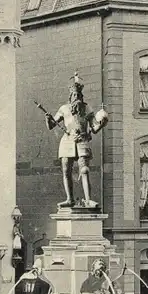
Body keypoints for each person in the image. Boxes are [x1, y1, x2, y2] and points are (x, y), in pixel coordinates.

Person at [45, 74, 108, 208]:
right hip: (67, 141)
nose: (76, 97)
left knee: (84, 169)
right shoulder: (64, 109)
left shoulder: (87, 109)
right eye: (74, 95)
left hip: (82, 140)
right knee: (66, 170)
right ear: (70, 96)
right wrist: (47, 119)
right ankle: (69, 199)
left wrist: (102, 124)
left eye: (78, 95)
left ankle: (88, 199)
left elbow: (95, 128)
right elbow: (51, 125)